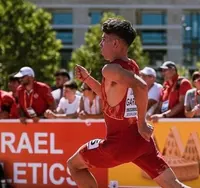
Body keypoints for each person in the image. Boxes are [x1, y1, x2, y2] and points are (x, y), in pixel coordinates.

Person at [67, 18, 190, 188]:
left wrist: (142, 123)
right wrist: (87, 79)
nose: (100, 43)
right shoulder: (131, 65)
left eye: (104, 39)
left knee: (73, 166)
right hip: (142, 143)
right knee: (173, 184)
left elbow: (140, 86)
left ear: (115, 43)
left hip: (118, 146)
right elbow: (110, 98)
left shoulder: (110, 69)